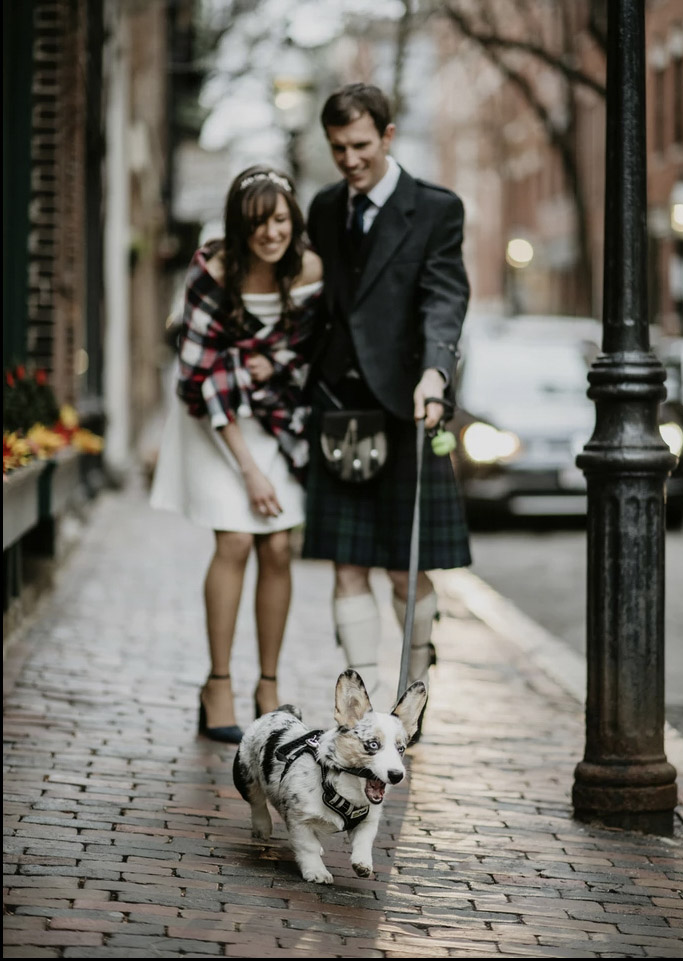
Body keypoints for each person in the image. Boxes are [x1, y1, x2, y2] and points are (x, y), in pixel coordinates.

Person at [302, 83, 471, 719]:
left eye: (361, 145)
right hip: (338, 409)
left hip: (404, 408)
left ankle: (412, 697)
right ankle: (362, 710)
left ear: (389, 136)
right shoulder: (323, 208)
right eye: (338, 147)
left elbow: (444, 298)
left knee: (404, 572)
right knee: (347, 564)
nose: (349, 159)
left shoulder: (434, 209)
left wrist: (435, 373)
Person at [151, 165, 322, 743]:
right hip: (215, 418)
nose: (270, 233)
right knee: (237, 538)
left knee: (278, 545)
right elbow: (198, 373)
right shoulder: (213, 269)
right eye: (257, 223)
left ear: (293, 219)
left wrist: (275, 363)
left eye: (279, 219)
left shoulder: (313, 269)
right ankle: (217, 684)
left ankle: (268, 686)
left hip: (278, 414)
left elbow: (317, 349)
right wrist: (248, 470)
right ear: (238, 225)